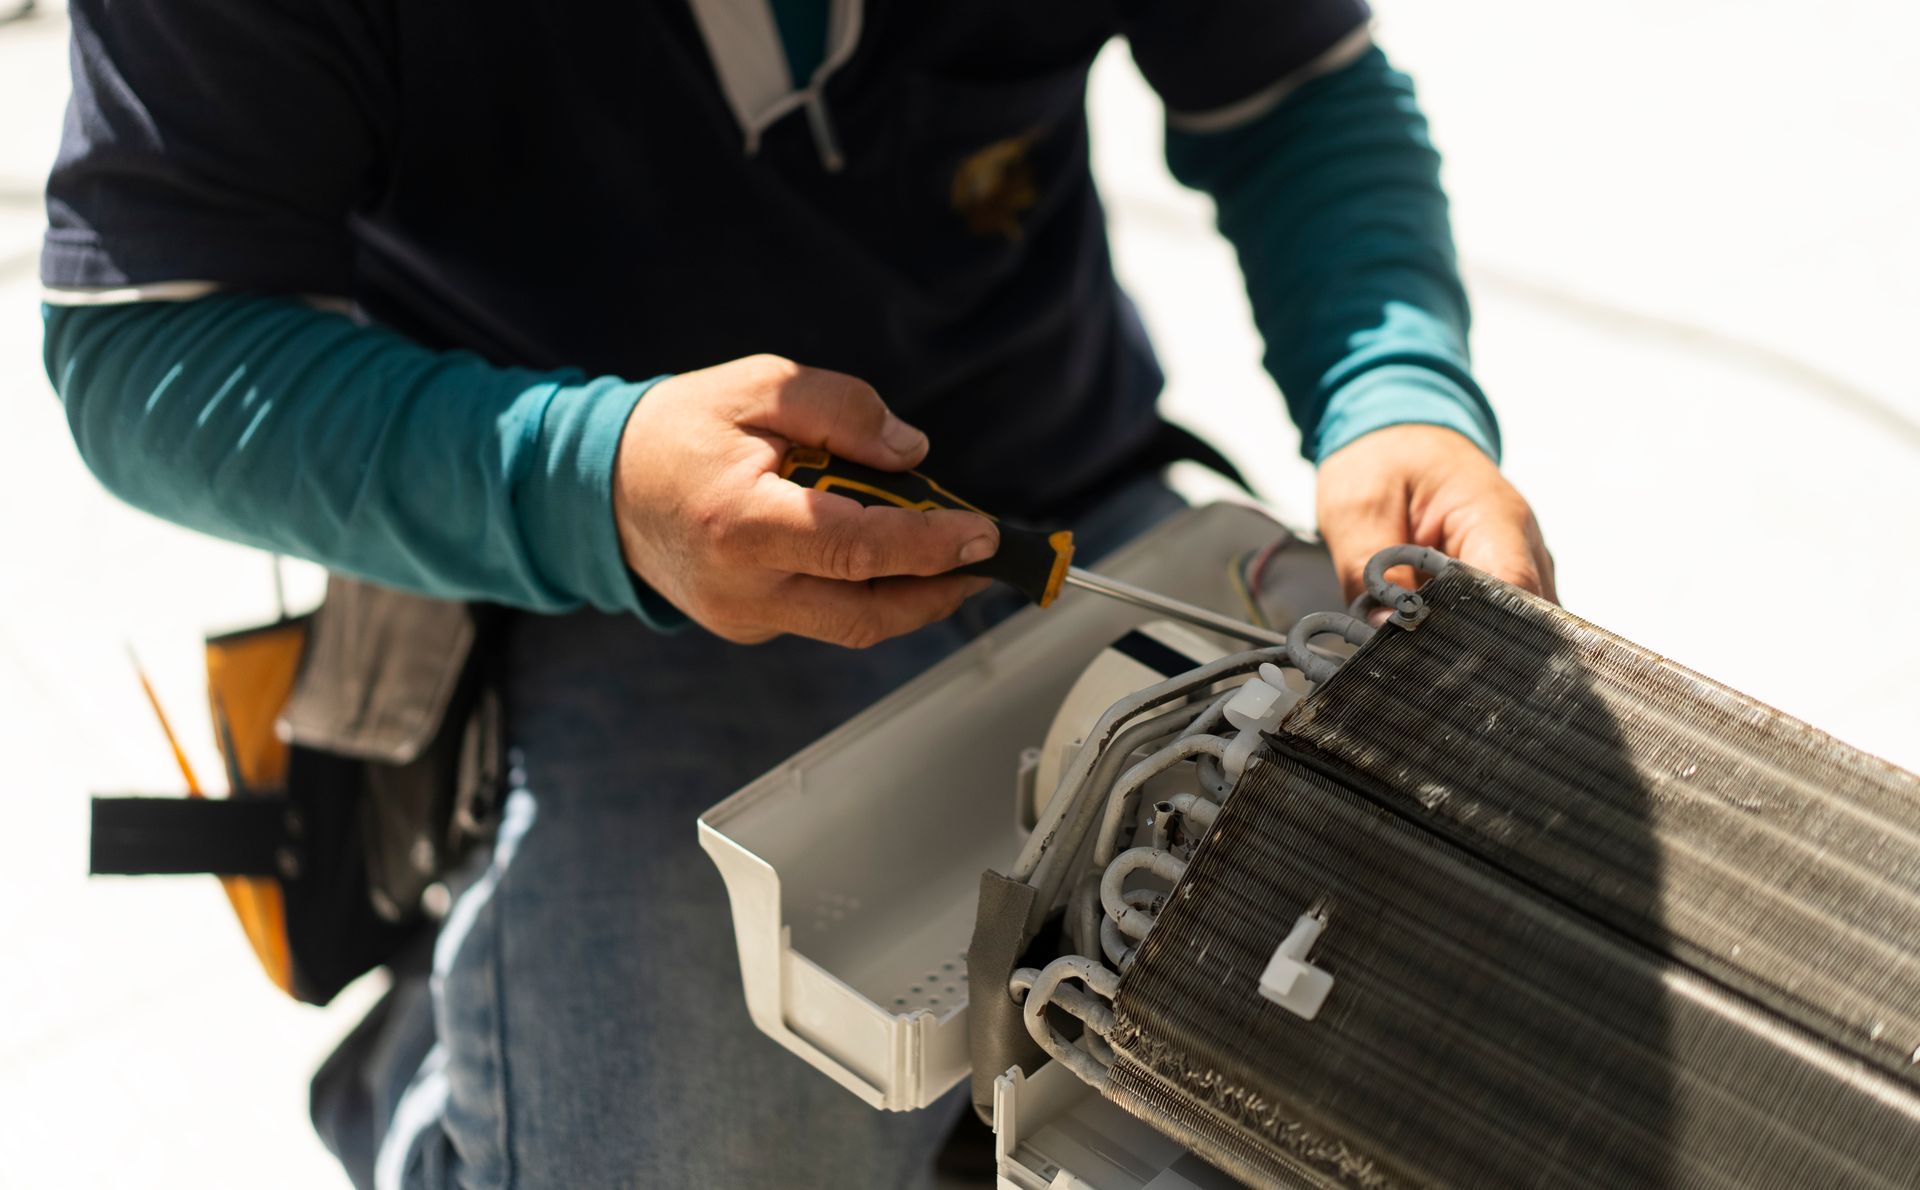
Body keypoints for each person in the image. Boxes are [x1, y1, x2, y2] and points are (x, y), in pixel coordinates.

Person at [40, 0, 1553, 1185]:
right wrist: (593, 478)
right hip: (603, 591)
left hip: (1066, 498)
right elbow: (146, 338)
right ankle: (441, 1064)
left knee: (1433, 1069)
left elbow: (1293, 93)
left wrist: (1396, 398)